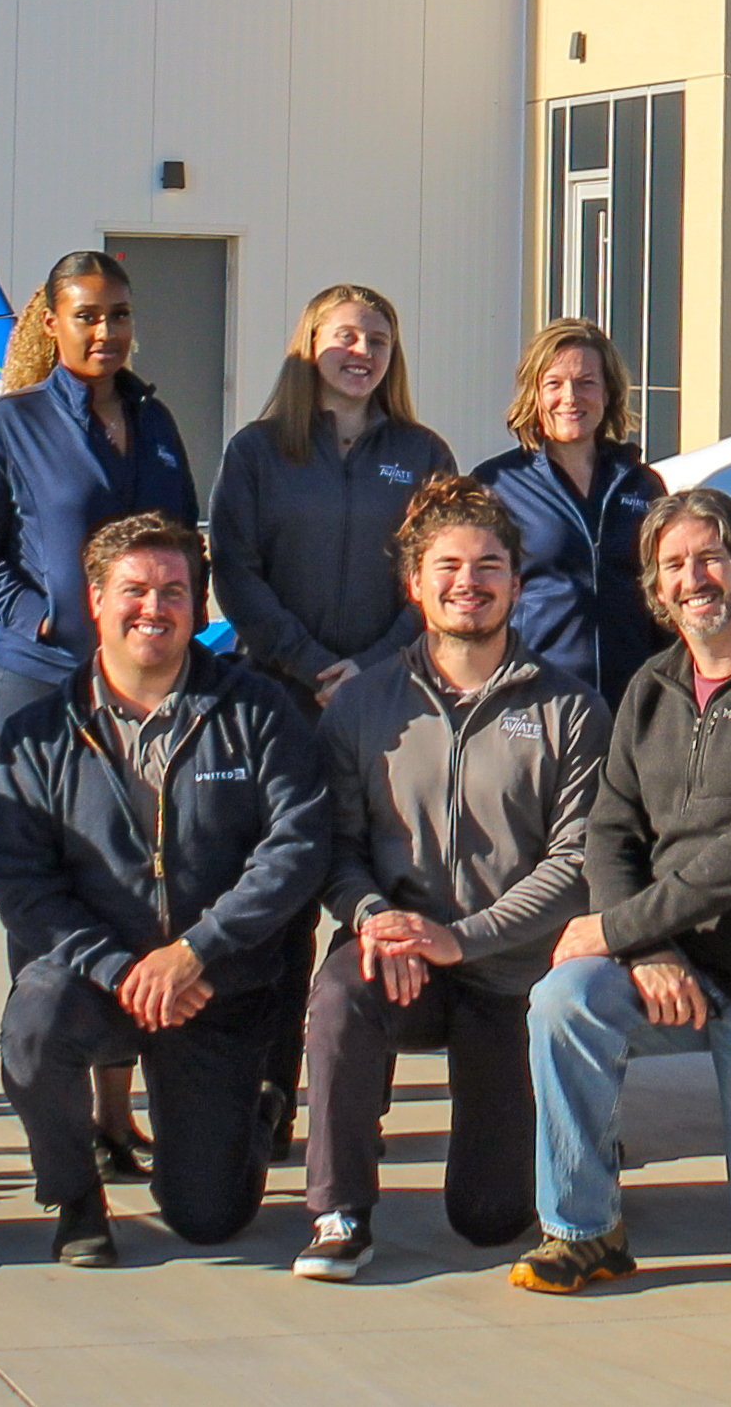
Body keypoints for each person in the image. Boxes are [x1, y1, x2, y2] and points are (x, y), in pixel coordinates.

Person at [513, 489, 731, 1293]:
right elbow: (609, 835)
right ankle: (583, 1231)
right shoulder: (649, 688)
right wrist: (643, 945)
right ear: (656, 588)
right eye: (672, 564)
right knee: (564, 1000)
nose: (692, 577)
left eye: (709, 556)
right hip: (677, 962)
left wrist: (618, 929)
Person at [0, 512, 337, 1266]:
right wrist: (120, 968)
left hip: (214, 987)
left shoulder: (257, 713)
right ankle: (75, 1196)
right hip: (94, 980)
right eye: (135, 589)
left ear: (200, 608)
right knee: (32, 1026)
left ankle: (253, 1106)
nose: (155, 607)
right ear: (94, 600)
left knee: (208, 1222)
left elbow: (297, 845)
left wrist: (196, 952)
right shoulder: (38, 734)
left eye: (175, 591)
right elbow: (25, 887)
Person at [295, 476, 606, 1280]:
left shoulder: (568, 709)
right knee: (337, 996)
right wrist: (374, 918)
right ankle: (338, 1212)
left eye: (488, 565)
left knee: (490, 1219)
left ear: (515, 581)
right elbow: (333, 842)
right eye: (448, 566)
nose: (468, 582)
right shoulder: (363, 706)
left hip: (508, 971)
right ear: (415, 584)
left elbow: (577, 861)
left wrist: (459, 938)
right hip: (393, 953)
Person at [0, 250, 206, 1179]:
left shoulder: (157, 422)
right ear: (51, 322)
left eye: (120, 315)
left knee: (137, 886)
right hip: (36, 690)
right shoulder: (8, 424)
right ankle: (49, 1113)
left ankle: (113, 1107)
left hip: (139, 691)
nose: (106, 332)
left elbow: (183, 543)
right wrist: (44, 615)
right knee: (40, 897)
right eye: (87, 316)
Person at [215, 284, 461, 707]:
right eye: (345, 336)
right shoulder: (255, 451)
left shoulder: (425, 454)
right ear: (311, 346)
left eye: (378, 341)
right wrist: (312, 666)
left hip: (392, 693)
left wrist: (374, 665)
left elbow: (445, 573)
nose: (362, 350)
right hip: (273, 694)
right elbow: (236, 573)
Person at [472, 318, 664, 704]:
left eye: (586, 382)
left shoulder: (642, 484)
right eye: (554, 384)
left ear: (608, 392)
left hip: (633, 700)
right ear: (535, 394)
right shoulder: (497, 483)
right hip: (533, 698)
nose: (571, 397)